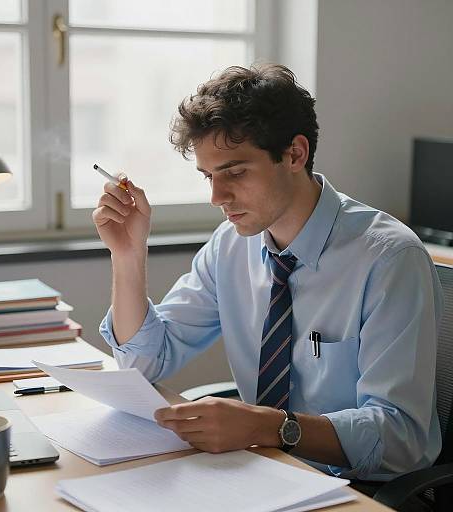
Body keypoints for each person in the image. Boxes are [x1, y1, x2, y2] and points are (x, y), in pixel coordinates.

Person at [93, 64, 443, 482]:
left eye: (235, 172)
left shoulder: (388, 259)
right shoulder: (230, 245)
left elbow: (401, 438)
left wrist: (268, 427)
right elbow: (144, 363)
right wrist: (128, 256)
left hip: (350, 489)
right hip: (257, 475)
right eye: (208, 176)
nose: (216, 197)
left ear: (295, 154)